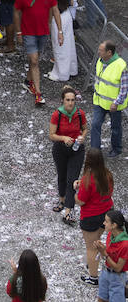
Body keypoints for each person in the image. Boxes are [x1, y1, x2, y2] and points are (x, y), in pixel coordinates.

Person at [13, 0, 63, 107]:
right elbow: (16, 12)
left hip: (43, 32)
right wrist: (18, 32)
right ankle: (38, 93)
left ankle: (28, 82)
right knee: (34, 61)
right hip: (28, 32)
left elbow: (55, 10)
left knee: (35, 59)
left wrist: (60, 31)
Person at [50, 83, 87, 223]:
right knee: (62, 175)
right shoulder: (57, 115)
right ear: (63, 100)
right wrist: (63, 138)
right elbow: (52, 135)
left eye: (72, 100)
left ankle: (68, 211)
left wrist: (82, 137)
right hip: (60, 148)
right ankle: (62, 200)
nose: (70, 103)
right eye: (68, 100)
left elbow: (85, 129)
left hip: (77, 149)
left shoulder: (80, 114)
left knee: (73, 180)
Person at [76, 148, 115, 285]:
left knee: (91, 247)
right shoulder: (108, 174)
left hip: (90, 216)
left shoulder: (88, 179)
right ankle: (93, 265)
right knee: (97, 240)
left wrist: (76, 190)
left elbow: (80, 201)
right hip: (106, 214)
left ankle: (93, 277)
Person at [92, 40, 128, 156]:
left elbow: (124, 88)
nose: (98, 52)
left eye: (101, 50)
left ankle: (117, 149)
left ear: (109, 52)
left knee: (115, 128)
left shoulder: (121, 66)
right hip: (99, 101)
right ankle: (95, 150)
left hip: (114, 105)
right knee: (95, 124)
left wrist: (116, 102)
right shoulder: (100, 61)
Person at [47, 0, 78, 81]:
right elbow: (70, 2)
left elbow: (51, 9)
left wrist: (49, 23)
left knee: (59, 46)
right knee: (69, 45)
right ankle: (72, 69)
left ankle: (62, 74)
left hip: (57, 18)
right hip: (67, 16)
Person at [95, 208, 128, 302]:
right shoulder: (111, 234)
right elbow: (109, 252)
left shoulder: (125, 245)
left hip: (118, 278)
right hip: (106, 273)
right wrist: (102, 248)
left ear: (114, 225)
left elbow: (118, 268)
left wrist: (104, 253)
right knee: (102, 301)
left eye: (106, 221)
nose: (104, 223)